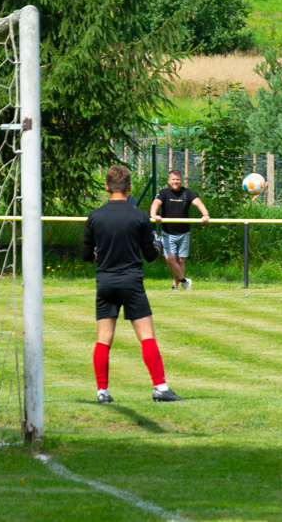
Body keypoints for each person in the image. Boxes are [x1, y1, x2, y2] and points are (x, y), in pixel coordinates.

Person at [82, 165, 183, 403]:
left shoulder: (95, 216)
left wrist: (100, 253)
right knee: (147, 336)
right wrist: (157, 246)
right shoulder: (139, 216)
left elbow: (87, 256)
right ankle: (160, 387)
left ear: (106, 187)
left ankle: (102, 392)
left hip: (105, 282)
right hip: (131, 282)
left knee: (103, 339)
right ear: (129, 188)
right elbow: (150, 255)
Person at [150, 169, 210, 290]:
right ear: (168, 180)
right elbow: (155, 204)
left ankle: (175, 285)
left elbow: (199, 203)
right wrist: (154, 215)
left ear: (181, 181)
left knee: (181, 259)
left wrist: (205, 215)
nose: (175, 181)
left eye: (178, 179)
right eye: (173, 179)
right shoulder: (164, 192)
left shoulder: (186, 192)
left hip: (184, 232)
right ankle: (184, 280)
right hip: (168, 232)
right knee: (170, 259)